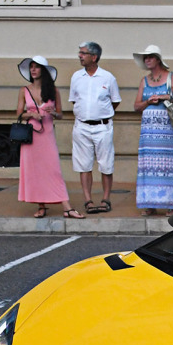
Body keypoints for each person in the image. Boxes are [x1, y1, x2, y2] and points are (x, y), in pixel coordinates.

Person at [16, 56, 82, 220]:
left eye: (36, 67)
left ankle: (66, 206)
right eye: (31, 67)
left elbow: (60, 114)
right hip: (31, 136)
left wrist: (53, 113)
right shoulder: (24, 90)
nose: (33, 70)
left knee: (53, 170)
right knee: (35, 170)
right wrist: (31, 113)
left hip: (47, 135)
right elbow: (19, 114)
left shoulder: (54, 91)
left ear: (43, 70)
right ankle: (41, 205)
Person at [132, 44, 173, 216]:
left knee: (168, 164)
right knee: (149, 165)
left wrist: (166, 97)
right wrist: (148, 102)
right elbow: (136, 106)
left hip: (166, 131)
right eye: (145, 58)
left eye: (150, 57)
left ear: (158, 59)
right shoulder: (144, 81)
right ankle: (150, 204)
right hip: (149, 133)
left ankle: (172, 203)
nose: (147, 60)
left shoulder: (171, 77)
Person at [69, 41, 121, 215]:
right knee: (84, 165)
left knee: (106, 164)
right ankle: (88, 200)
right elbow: (75, 100)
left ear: (94, 57)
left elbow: (115, 101)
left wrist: (101, 114)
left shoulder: (108, 77)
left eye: (83, 53)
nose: (80, 56)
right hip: (82, 126)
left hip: (103, 127)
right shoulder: (76, 77)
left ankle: (106, 199)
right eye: (80, 52)